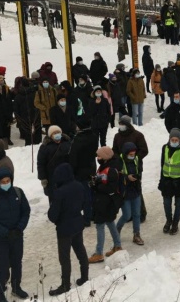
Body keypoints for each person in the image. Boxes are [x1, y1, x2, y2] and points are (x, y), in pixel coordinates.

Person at [0, 168, 31, 302]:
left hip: (17, 236)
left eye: (8, 181)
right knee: (2, 267)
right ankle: (0, 295)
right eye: (3, 182)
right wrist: (5, 232)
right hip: (0, 239)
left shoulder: (18, 193)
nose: (6, 183)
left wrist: (19, 228)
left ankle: (16, 287)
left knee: (17, 263)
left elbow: (25, 211)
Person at [47, 163, 89, 296]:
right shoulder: (79, 185)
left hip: (64, 229)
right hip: (78, 224)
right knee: (80, 250)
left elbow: (53, 215)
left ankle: (65, 285)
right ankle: (84, 276)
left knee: (64, 258)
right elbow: (84, 203)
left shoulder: (59, 192)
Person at [88, 146, 122, 263]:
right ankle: (117, 245)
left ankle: (99, 253)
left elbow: (110, 187)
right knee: (110, 223)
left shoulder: (111, 170)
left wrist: (97, 185)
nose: (97, 158)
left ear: (106, 157)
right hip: (103, 202)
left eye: (99, 156)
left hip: (106, 203)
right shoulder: (102, 167)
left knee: (100, 226)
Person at [159, 128, 180, 235]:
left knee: (178, 204)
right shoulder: (165, 148)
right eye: (172, 140)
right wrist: (161, 180)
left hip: (179, 182)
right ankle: (168, 220)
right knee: (166, 204)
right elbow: (163, 164)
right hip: (167, 181)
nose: (174, 142)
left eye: (176, 140)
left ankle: (175, 223)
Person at [69, 117, 98, 227]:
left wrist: (72, 170)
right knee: (91, 192)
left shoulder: (78, 139)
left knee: (84, 195)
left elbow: (74, 157)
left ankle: (86, 218)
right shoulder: (94, 136)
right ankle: (93, 214)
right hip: (91, 168)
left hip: (80, 171)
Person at [116, 142, 144, 245]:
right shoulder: (119, 160)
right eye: (131, 154)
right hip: (125, 192)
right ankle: (117, 229)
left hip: (135, 189)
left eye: (134, 154)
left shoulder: (137, 159)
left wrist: (137, 177)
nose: (133, 156)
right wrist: (127, 177)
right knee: (127, 215)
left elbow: (140, 170)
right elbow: (116, 176)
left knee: (137, 214)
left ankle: (136, 234)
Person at [37, 126, 71, 203]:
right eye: (54, 133)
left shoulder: (67, 143)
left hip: (66, 176)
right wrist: (43, 179)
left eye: (58, 132)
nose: (57, 134)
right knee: (54, 200)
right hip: (52, 178)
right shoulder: (44, 147)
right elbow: (41, 164)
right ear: (50, 135)